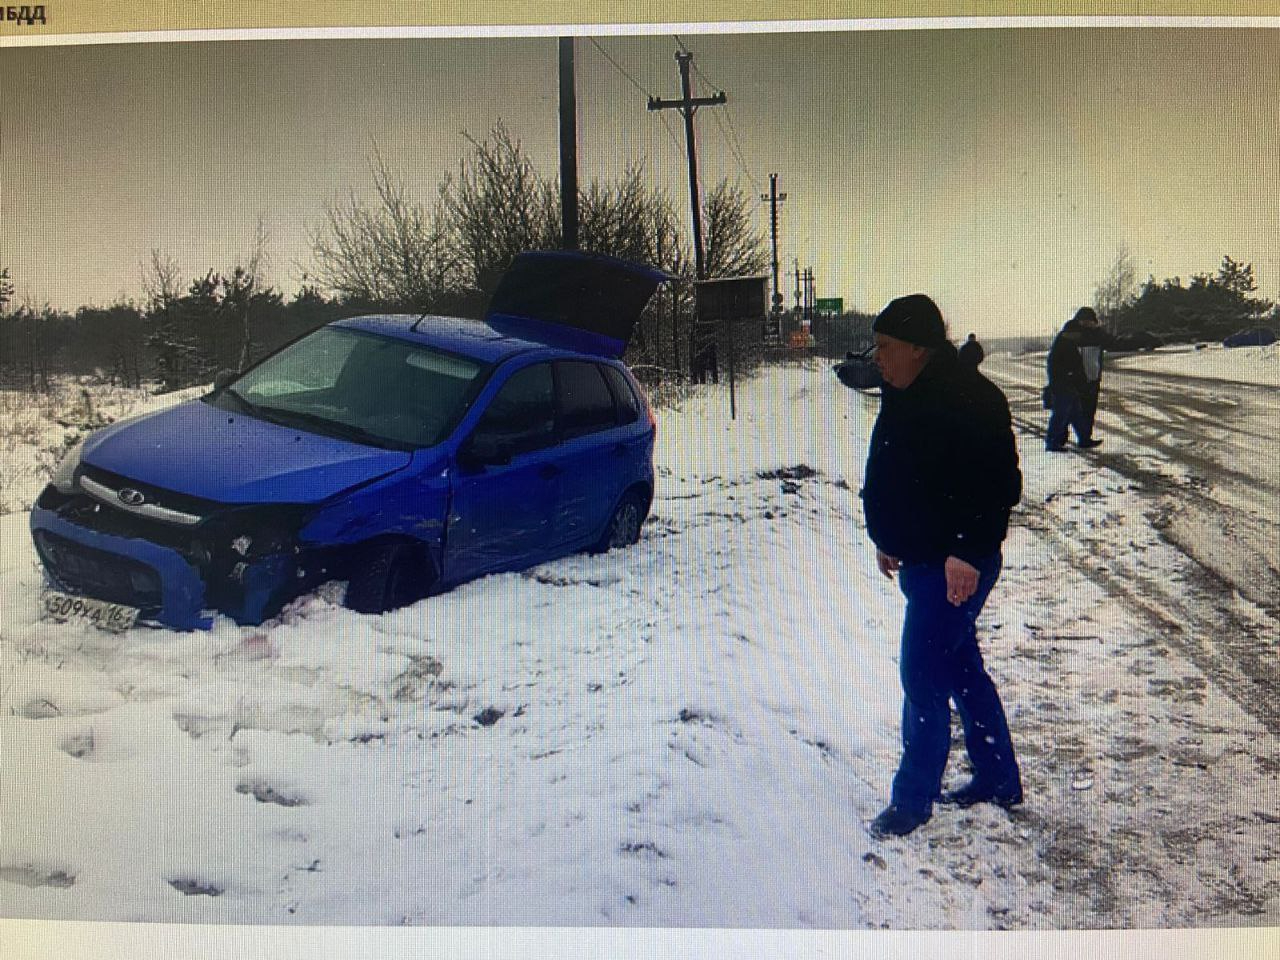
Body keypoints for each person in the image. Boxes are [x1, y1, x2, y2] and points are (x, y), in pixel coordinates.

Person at [860, 294, 1024, 839]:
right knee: (958, 669)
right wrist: (889, 536)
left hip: (957, 566)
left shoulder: (971, 399)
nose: (878, 357)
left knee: (922, 673)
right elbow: (897, 474)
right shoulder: (903, 393)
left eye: (886, 347)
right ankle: (998, 777)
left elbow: (998, 485)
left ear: (919, 349)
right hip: (923, 560)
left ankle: (911, 801)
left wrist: (965, 550)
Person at [1044, 314, 1100, 451]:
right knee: (1060, 415)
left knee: (1076, 415)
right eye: (1077, 333)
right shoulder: (1062, 346)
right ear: (1071, 333)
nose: (1079, 336)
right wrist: (1069, 377)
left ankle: (1084, 439)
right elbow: (1059, 368)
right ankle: (1052, 442)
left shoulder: (1066, 343)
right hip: (1063, 386)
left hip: (1069, 386)